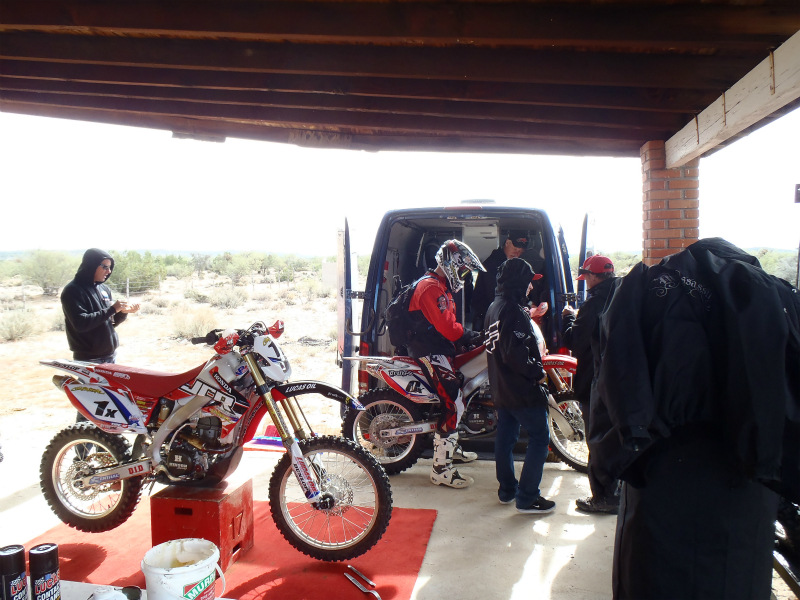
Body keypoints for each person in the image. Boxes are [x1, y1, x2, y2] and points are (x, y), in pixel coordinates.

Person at [590, 238, 800, 600]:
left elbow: (613, 383)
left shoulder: (646, 291)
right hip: (745, 484)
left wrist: (607, 469)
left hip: (661, 474)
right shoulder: (776, 299)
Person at [406, 239, 484, 488]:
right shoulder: (430, 287)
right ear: (452, 264)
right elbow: (448, 328)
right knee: (453, 401)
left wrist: (468, 337)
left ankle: (451, 448)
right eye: (463, 270)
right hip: (429, 352)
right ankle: (440, 469)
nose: (464, 275)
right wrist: (469, 335)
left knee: (462, 393)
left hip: (439, 349)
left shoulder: (440, 285)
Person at [485, 258, 556, 514]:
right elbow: (514, 354)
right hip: (520, 390)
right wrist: (538, 373)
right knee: (540, 437)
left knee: (505, 439)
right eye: (528, 281)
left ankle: (507, 491)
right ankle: (527, 498)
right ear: (518, 282)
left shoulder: (494, 306)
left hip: (500, 388)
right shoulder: (512, 310)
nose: (531, 287)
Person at [561, 254, 618, 514]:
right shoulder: (623, 296)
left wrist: (568, 319)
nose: (586, 281)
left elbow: (575, 341)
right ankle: (618, 490)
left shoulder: (593, 303)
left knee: (597, 440)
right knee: (614, 437)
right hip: (621, 379)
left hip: (596, 379)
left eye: (587, 277)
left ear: (595, 276)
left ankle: (603, 497)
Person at [61, 248, 139, 364]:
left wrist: (122, 312)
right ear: (91, 265)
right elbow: (81, 324)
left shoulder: (104, 289)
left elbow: (109, 323)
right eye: (105, 267)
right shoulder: (73, 290)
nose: (109, 271)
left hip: (110, 356)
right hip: (89, 359)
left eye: (110, 267)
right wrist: (112, 309)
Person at [471, 230, 529, 330]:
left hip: (499, 317)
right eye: (515, 249)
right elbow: (496, 295)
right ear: (507, 243)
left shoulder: (511, 265)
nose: (516, 253)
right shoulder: (492, 265)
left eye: (520, 251)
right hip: (487, 320)